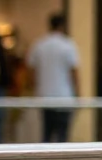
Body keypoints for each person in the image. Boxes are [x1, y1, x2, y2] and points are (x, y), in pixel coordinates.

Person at [27, 13, 80, 144]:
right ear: (63, 26)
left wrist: (35, 89)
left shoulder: (39, 45)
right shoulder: (68, 45)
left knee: (47, 134)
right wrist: (78, 94)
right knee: (62, 136)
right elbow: (74, 72)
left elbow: (31, 72)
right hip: (64, 97)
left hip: (45, 96)